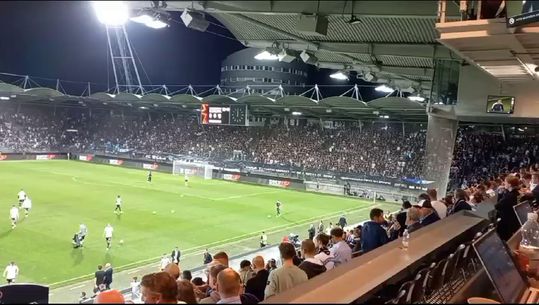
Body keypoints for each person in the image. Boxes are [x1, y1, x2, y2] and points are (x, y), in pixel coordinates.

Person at [495, 175, 521, 241]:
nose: (504, 183)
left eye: (505, 182)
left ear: (509, 184)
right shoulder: (516, 193)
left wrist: (500, 193)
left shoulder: (509, 196)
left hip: (507, 222)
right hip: (514, 219)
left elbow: (497, 206)